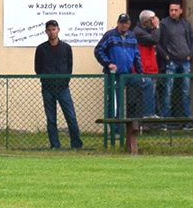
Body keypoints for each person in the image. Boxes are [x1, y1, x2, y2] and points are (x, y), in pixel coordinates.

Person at [34, 20, 83, 149]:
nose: (52, 32)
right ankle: (55, 144)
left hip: (63, 88)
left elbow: (69, 67)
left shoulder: (66, 48)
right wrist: (45, 80)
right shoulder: (41, 49)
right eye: (49, 30)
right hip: (47, 88)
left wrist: (65, 80)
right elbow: (38, 68)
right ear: (46, 31)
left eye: (54, 29)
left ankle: (76, 144)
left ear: (58, 30)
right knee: (51, 118)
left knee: (70, 116)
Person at [94, 13, 152, 120]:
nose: (124, 25)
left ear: (129, 24)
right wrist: (108, 63)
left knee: (147, 83)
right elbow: (98, 50)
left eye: (126, 23)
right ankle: (115, 130)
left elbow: (136, 56)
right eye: (121, 23)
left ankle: (149, 114)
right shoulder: (110, 36)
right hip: (114, 76)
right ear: (117, 23)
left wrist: (140, 72)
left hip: (128, 74)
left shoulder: (132, 36)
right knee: (115, 103)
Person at [159, 1, 193, 130]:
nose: (173, 12)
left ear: (181, 11)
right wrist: (166, 56)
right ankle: (164, 122)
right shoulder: (164, 24)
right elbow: (157, 43)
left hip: (185, 61)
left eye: (176, 10)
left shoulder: (185, 24)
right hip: (171, 62)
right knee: (168, 92)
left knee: (185, 92)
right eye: (171, 10)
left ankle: (187, 122)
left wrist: (190, 54)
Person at [133, 10, 162, 117]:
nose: (154, 22)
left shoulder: (146, 31)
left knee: (151, 95)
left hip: (151, 68)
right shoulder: (139, 32)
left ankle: (148, 119)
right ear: (146, 22)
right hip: (144, 70)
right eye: (152, 20)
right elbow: (155, 40)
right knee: (143, 96)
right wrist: (157, 27)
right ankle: (142, 120)